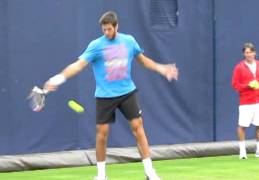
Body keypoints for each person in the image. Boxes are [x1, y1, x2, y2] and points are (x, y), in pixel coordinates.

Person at [43, 11, 178, 180]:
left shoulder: (129, 41)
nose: (106, 32)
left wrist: (162, 68)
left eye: (109, 29)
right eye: (103, 29)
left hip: (127, 92)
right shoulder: (96, 45)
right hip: (104, 96)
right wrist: (59, 78)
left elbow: (142, 60)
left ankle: (150, 172)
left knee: (138, 128)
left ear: (116, 26)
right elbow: (78, 65)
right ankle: (101, 175)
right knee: (102, 133)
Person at [231, 42, 259, 159]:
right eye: (246, 52)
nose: (249, 54)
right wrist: (248, 85)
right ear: (244, 54)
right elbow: (234, 85)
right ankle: (242, 152)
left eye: (251, 52)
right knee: (242, 126)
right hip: (246, 102)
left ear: (255, 53)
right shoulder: (239, 67)